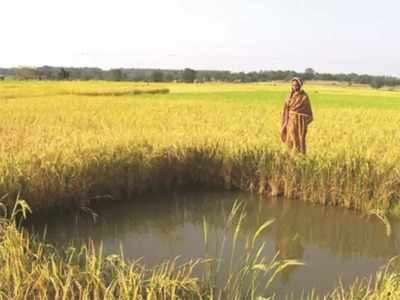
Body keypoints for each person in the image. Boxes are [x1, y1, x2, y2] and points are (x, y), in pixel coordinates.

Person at [280, 78, 313, 154]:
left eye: (296, 85)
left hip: (300, 123)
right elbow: (285, 109)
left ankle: (299, 155)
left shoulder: (304, 97)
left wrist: (301, 118)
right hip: (290, 121)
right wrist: (285, 123)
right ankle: (291, 155)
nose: (295, 86)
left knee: (299, 139)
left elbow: (308, 112)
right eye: (293, 85)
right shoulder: (289, 96)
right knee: (291, 137)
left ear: (300, 86)